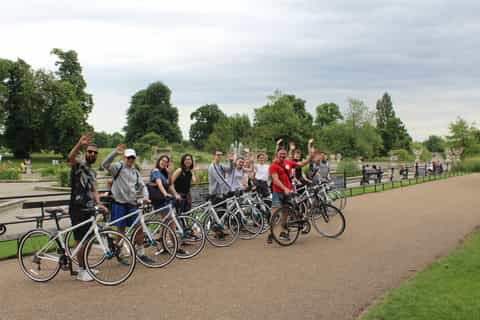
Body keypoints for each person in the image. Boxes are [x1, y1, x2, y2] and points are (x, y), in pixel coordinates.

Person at [102, 144, 152, 264]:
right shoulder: (117, 167)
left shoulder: (135, 172)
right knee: (121, 230)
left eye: (132, 158)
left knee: (138, 227)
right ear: (124, 157)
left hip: (132, 203)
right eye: (128, 157)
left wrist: (146, 197)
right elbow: (104, 164)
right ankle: (120, 254)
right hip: (119, 203)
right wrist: (115, 152)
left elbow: (142, 186)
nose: (130, 160)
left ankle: (141, 254)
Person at [68, 133, 107, 282]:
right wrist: (79, 143)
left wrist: (99, 203)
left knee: (89, 239)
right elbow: (70, 157)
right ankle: (81, 270)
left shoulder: (92, 171)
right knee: (81, 240)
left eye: (95, 153)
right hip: (77, 208)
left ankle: (86, 267)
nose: (92, 154)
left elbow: (94, 189)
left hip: (88, 208)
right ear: (86, 153)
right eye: (90, 151)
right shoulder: (78, 165)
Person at [268, 144, 312, 244]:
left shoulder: (288, 162)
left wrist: (310, 156)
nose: (282, 155)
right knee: (274, 213)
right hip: (277, 192)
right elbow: (275, 180)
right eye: (281, 153)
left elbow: (301, 164)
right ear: (277, 154)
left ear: (286, 154)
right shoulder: (273, 166)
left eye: (284, 154)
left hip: (287, 192)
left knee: (285, 213)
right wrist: (284, 188)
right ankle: (271, 233)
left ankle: (283, 232)